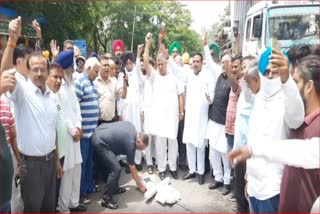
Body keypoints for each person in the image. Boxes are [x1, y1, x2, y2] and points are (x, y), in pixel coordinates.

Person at [244, 48, 304, 213]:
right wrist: (248, 176)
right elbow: (253, 139)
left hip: (273, 189)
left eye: (275, 72)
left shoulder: (288, 97)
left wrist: (286, 80)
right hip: (254, 187)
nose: (270, 76)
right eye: (267, 72)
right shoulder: (259, 98)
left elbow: (296, 119)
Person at [6, 53, 63, 212]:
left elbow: (53, 130)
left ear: (47, 71)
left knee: (48, 208)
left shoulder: (52, 97)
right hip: (31, 166)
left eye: (43, 69)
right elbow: (3, 74)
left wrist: (57, 160)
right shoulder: (22, 92)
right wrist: (11, 42)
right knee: (32, 209)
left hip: (50, 162)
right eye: (35, 69)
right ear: (28, 71)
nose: (39, 73)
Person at [145, 33, 184, 180]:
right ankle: (161, 168)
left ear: (166, 64)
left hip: (172, 117)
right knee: (160, 143)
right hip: (159, 118)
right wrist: (148, 45)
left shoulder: (174, 77)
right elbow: (146, 62)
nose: (160, 66)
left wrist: (181, 112)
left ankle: (172, 167)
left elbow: (181, 94)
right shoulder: (154, 76)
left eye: (162, 64)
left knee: (173, 143)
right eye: (158, 64)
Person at [54, 51, 86, 212]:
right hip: (67, 137)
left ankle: (74, 202)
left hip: (76, 135)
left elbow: (76, 109)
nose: (74, 70)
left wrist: (79, 127)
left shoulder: (70, 86)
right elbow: (61, 115)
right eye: (71, 67)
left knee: (76, 170)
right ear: (65, 69)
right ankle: (64, 207)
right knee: (66, 174)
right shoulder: (58, 89)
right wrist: (72, 130)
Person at [91, 121, 148, 210]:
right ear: (139, 141)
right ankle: (106, 200)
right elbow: (132, 169)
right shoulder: (131, 144)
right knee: (116, 169)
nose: (140, 150)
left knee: (113, 165)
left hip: (101, 132)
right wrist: (140, 186)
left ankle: (114, 188)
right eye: (141, 148)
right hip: (100, 141)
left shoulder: (132, 128)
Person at [74, 57, 100, 204]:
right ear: (88, 68)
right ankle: (81, 193)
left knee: (90, 161)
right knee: (83, 163)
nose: (97, 74)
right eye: (96, 71)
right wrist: (80, 126)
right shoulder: (80, 81)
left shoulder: (92, 83)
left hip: (92, 132)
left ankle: (89, 187)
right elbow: (75, 106)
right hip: (84, 133)